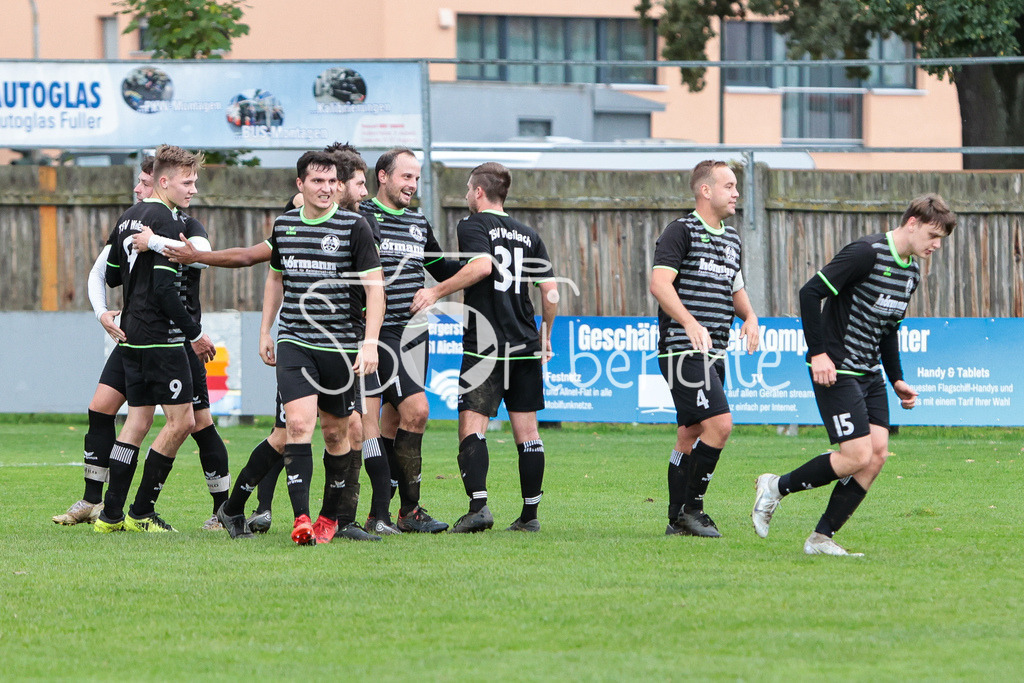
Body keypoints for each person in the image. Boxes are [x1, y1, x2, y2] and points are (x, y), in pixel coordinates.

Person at [171, 147, 384, 541]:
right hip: (295, 342)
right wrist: (265, 331)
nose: (326, 188)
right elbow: (267, 272)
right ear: (300, 184)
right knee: (297, 425)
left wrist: (370, 342)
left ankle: (324, 518)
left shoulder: (356, 228)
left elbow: (375, 288)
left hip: (340, 347)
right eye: (317, 181)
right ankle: (301, 520)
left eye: (331, 181)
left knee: (337, 434)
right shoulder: (285, 226)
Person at [752, 194, 956, 556]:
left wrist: (896, 379)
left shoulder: (910, 273)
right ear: (912, 223)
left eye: (941, 239)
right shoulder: (865, 253)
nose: (937, 245)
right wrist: (818, 354)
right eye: (933, 235)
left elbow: (889, 330)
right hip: (836, 368)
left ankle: (821, 538)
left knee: (877, 456)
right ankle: (774, 487)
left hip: (869, 372)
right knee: (857, 455)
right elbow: (809, 292)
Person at [410, 162, 558, 533]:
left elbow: (480, 268)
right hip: (525, 342)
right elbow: (551, 291)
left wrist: (435, 292)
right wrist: (546, 334)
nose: (466, 196)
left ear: (478, 192)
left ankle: (479, 508)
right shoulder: (528, 234)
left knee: (472, 426)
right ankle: (530, 516)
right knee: (528, 432)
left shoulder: (473, 225)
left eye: (467, 189)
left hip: (485, 345)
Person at [94, 145, 217, 534]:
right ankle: (141, 512)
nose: (193, 189)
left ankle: (110, 516)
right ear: (164, 181)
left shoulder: (129, 216)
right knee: (182, 422)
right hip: (162, 339)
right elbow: (165, 290)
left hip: (131, 336)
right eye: (187, 182)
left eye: (194, 182)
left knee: (136, 422)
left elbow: (112, 275)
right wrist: (195, 334)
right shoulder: (166, 219)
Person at [648, 160, 760, 538]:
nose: (736, 193)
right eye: (729, 186)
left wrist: (750, 317)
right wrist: (689, 322)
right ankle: (693, 510)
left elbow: (735, 289)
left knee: (690, 432)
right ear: (705, 190)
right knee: (720, 425)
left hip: (715, 352)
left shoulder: (732, 240)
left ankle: (675, 518)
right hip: (682, 350)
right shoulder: (680, 231)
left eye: (736, 186)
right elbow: (660, 284)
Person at [358, 147, 458, 535]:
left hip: (416, 333)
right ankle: (409, 510)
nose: (412, 185)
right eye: (406, 176)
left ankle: (380, 513)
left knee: (395, 420)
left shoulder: (418, 222)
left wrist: (482, 262)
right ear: (382, 176)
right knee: (417, 410)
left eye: (416, 178)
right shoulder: (362, 215)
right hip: (381, 333)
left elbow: (440, 267)